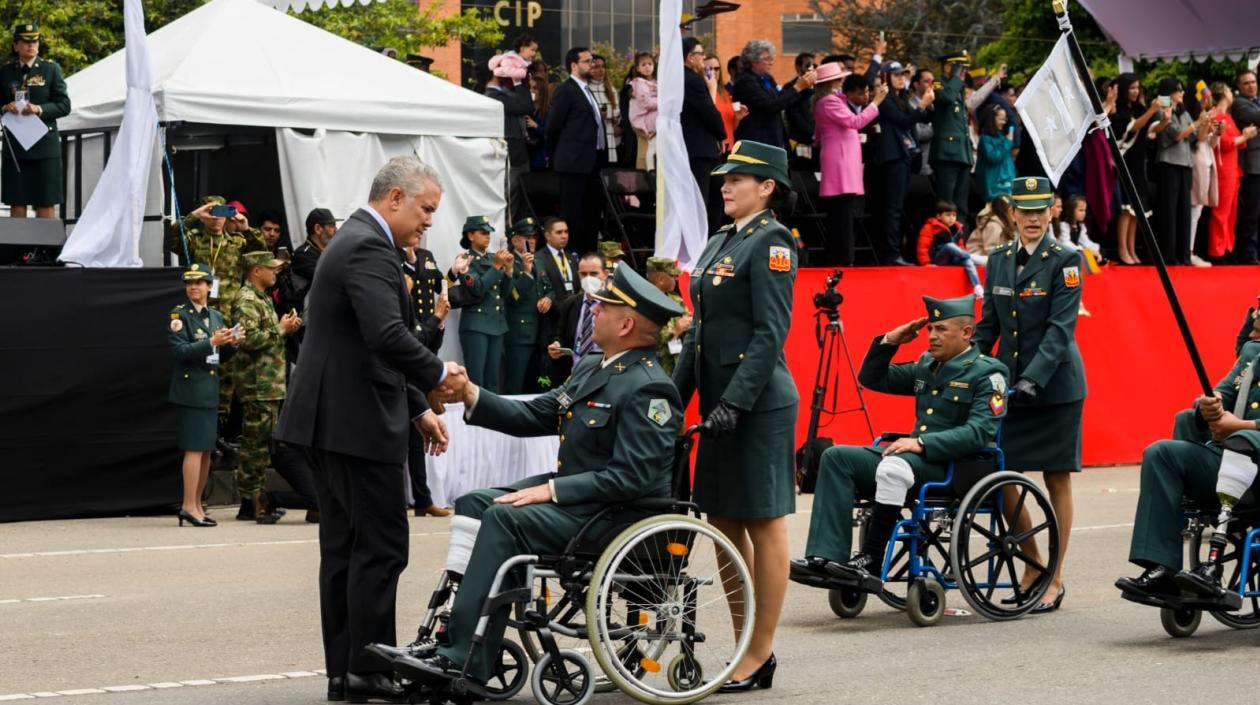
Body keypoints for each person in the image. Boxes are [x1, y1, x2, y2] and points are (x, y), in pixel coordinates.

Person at [389, 264, 684, 688]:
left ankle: (461, 658)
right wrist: (471, 393)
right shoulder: (594, 368)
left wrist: (552, 490)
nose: (593, 309)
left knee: (505, 519)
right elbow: (537, 413)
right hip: (583, 504)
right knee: (475, 502)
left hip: (612, 515)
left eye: (604, 306)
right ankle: (453, 635)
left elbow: (631, 478)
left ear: (625, 324)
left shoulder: (649, 387)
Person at [273, 156, 460, 703]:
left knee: (346, 551)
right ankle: (371, 672)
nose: (429, 222)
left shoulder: (354, 242)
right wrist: (438, 374)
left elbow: (360, 343)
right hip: (353, 424)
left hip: (334, 420)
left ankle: (347, 672)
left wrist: (417, 408)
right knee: (378, 549)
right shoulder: (369, 248)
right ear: (395, 198)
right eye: (426, 210)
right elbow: (385, 334)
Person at [673, 140, 798, 692]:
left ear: (767, 187)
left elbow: (771, 334)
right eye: (723, 178)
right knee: (723, 522)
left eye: (737, 179)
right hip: (721, 403)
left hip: (758, 403)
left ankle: (761, 652)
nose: (724, 186)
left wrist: (734, 403)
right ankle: (744, 640)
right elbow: (699, 333)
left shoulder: (772, 242)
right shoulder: (722, 240)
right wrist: (673, 401)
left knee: (763, 523)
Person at [790, 295, 1008, 590]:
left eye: (941, 329)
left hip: (956, 466)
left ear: (967, 332)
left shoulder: (988, 373)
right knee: (836, 456)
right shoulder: (927, 365)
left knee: (893, 465)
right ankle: (828, 559)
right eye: (931, 328)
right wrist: (890, 341)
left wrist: (923, 443)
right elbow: (871, 378)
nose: (932, 336)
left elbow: (979, 433)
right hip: (915, 460)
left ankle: (872, 560)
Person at [974, 176, 1086, 613]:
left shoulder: (1067, 259)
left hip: (1055, 386)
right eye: (1026, 210)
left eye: (1042, 210)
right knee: (1001, 477)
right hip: (1011, 384)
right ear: (1014, 214)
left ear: (1052, 212)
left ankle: (1054, 577)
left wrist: (1034, 377)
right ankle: (1032, 562)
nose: (1034, 218)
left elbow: (1060, 330)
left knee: (1056, 478)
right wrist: (971, 368)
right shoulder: (999, 258)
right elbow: (988, 325)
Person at [1116, 342, 1260, 604]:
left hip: (1252, 459)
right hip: (1234, 458)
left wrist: (1241, 425)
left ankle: (1211, 567)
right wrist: (1208, 405)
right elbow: (1222, 392)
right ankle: (1162, 569)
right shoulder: (1253, 351)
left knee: (1241, 440)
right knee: (1160, 453)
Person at [232, 251, 303, 524]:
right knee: (255, 446)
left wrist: (286, 327)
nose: (276, 273)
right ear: (256, 271)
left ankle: (256, 500)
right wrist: (281, 329)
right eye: (270, 268)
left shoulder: (260, 298)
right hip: (257, 384)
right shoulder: (246, 299)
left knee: (262, 445)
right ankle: (251, 502)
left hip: (268, 383)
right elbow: (247, 340)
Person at [169, 264, 240, 527]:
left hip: (210, 390)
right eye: (190, 283)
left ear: (210, 286)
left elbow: (219, 357)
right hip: (191, 391)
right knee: (194, 449)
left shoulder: (216, 316)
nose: (194, 287)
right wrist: (212, 342)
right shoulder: (179, 315)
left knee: (206, 451)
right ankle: (188, 505)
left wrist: (233, 344)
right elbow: (180, 352)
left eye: (200, 283)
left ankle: (197, 505)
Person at [402, 232, 452, 519]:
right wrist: (434, 318)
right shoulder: (391, 263)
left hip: (419, 349)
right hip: (400, 360)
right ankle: (402, 499)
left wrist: (439, 321)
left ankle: (422, 498)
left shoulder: (425, 258)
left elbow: (427, 343)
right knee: (401, 437)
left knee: (415, 436)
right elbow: (410, 336)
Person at [814, 68, 885, 266]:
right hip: (840, 160)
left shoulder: (831, 100)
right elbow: (856, 121)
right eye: (839, 79)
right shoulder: (829, 101)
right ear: (833, 82)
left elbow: (818, 134)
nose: (841, 82)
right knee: (842, 212)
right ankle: (844, 258)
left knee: (842, 211)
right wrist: (876, 102)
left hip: (840, 158)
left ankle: (840, 255)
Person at [0, 23, 69, 219]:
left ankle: (43, 250)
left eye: (35, 41)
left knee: (45, 202)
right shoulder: (5, 72)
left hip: (44, 147)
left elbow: (64, 105)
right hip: (16, 146)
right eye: (26, 41)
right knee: (17, 202)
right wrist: (5, 107)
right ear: (16, 45)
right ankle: (18, 250)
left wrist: (39, 109)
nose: (31, 45)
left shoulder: (50, 69)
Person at [868, 61, 933, 265]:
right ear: (886, 77)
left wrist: (928, 105)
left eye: (903, 75)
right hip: (891, 157)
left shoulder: (900, 97)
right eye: (896, 75)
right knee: (892, 207)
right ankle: (891, 254)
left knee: (898, 207)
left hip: (903, 156)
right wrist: (922, 104)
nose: (901, 78)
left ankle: (895, 251)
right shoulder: (885, 99)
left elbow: (917, 117)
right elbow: (904, 120)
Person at [545, 47, 604, 254]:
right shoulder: (566, 90)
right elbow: (553, 127)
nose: (593, 64)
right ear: (574, 65)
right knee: (573, 216)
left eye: (592, 60)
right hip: (572, 163)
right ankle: (571, 258)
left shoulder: (587, 90)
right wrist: (554, 156)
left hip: (592, 162)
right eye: (587, 61)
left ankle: (589, 257)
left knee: (592, 214)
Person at [451, 215, 511, 392]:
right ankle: (476, 416)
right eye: (483, 232)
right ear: (470, 236)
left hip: (497, 324)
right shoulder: (465, 259)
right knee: (476, 380)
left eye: (489, 232)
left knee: (493, 379)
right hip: (476, 324)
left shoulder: (494, 258)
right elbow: (477, 288)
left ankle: (493, 417)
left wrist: (509, 270)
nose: (488, 236)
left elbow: (504, 294)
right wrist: (497, 267)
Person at [1151, 78, 1200, 265]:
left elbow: (1196, 137)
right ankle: (1169, 255)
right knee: (1169, 210)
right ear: (1168, 92)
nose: (1182, 93)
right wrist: (1196, 124)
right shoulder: (1162, 108)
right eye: (1178, 90)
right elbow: (1178, 134)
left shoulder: (1183, 110)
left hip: (1185, 164)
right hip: (1168, 163)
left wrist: (1206, 125)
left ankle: (1183, 255)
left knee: (1184, 211)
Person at [732, 39, 815, 149]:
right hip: (757, 140)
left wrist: (807, 87)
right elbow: (771, 106)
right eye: (766, 59)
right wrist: (798, 87)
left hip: (773, 139)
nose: (771, 62)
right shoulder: (746, 81)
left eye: (771, 58)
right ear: (753, 61)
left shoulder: (767, 78)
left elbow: (784, 99)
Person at [1113, 74, 1161, 265]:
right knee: (1127, 208)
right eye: (1132, 87)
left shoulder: (1139, 108)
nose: (1135, 91)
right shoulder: (1119, 110)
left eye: (1137, 87)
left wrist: (1164, 118)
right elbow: (1131, 127)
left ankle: (1132, 249)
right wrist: (1151, 110)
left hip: (1139, 162)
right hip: (1125, 162)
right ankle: (1122, 250)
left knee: (1137, 210)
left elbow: (1150, 130)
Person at [1210, 82, 1259, 261]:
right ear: (1224, 93)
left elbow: (1235, 141)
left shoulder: (1227, 116)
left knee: (1231, 212)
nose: (1232, 94)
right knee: (1221, 212)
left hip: (1232, 168)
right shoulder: (1217, 115)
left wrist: (1244, 136)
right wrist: (1243, 137)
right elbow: (1224, 143)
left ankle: (1227, 248)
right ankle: (1217, 250)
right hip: (1224, 168)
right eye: (1229, 91)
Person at [484, 56, 535, 222]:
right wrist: (519, 83)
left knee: (518, 197)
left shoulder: (503, 95)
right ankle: (509, 233)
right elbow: (526, 107)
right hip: (511, 156)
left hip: (517, 155)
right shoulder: (494, 96)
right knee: (510, 196)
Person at [681, 38, 727, 222]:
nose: (704, 57)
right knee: (706, 204)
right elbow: (709, 112)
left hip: (691, 149)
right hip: (699, 150)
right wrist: (712, 89)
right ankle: (707, 246)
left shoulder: (679, 77)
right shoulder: (692, 80)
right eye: (700, 53)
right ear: (691, 57)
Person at [546, 253, 606, 384]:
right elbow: (560, 334)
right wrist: (557, 345)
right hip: (573, 376)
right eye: (583, 274)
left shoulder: (615, 306)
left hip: (603, 377)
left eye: (594, 273)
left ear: (605, 274)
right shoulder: (570, 304)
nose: (588, 278)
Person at [930, 51, 975, 224]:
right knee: (946, 204)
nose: (963, 73)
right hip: (946, 153)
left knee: (961, 205)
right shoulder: (938, 83)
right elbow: (945, 98)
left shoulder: (957, 88)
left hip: (962, 154)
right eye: (960, 68)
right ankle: (943, 243)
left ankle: (959, 241)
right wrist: (956, 79)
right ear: (948, 67)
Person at [502, 218, 541, 395]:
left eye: (533, 237)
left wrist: (548, 298)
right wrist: (526, 272)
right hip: (519, 333)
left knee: (535, 384)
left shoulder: (537, 262)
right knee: (515, 385)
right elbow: (512, 297)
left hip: (539, 332)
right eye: (527, 237)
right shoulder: (509, 262)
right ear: (515, 240)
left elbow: (548, 287)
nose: (532, 241)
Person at [917, 201, 985, 298]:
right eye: (948, 215)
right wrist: (926, 263)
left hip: (952, 259)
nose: (952, 218)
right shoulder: (930, 227)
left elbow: (961, 246)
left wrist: (963, 254)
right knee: (950, 246)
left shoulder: (957, 227)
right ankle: (976, 258)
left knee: (967, 260)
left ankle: (978, 287)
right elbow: (923, 247)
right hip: (937, 259)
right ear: (939, 216)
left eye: (954, 215)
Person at [1232, 70, 1260, 264]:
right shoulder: (1240, 104)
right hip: (1251, 166)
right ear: (1240, 87)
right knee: (1252, 212)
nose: (1251, 86)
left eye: (1253, 82)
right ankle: (1248, 253)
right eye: (1247, 83)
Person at [645, 256, 690, 375]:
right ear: (661, 279)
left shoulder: (676, 300)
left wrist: (688, 324)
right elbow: (646, 337)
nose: (676, 280)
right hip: (654, 366)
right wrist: (675, 331)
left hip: (675, 363)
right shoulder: (644, 301)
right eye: (673, 276)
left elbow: (689, 323)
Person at [535, 216, 580, 323]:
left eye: (566, 232)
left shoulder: (572, 258)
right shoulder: (538, 258)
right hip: (551, 319)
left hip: (572, 317)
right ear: (547, 235)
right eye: (559, 232)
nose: (564, 236)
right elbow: (541, 290)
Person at [291, 207, 339, 302]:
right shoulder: (302, 255)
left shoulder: (328, 251)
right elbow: (329, 278)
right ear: (318, 229)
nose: (336, 230)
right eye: (332, 226)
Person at [975, 104, 1016, 203]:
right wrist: (1007, 142)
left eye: (1005, 119)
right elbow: (993, 157)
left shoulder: (1002, 137)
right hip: (994, 188)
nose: (1004, 122)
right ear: (991, 119)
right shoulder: (985, 139)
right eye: (1001, 119)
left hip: (1007, 186)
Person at [783, 52, 817, 161]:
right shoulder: (790, 87)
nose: (810, 69)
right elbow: (793, 115)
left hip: (819, 140)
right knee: (802, 169)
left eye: (813, 66)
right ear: (798, 67)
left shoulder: (819, 86)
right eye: (807, 66)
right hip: (800, 140)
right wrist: (812, 134)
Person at [628, 52, 658, 171]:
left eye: (650, 64)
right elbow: (645, 103)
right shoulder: (638, 83)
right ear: (638, 68)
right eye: (643, 64)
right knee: (645, 157)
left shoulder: (657, 82)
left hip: (656, 126)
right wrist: (662, 101)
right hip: (644, 124)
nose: (647, 67)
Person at [589, 54, 621, 165]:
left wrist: (608, 114)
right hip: (591, 137)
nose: (601, 70)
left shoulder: (610, 89)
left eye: (603, 66)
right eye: (596, 67)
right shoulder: (585, 88)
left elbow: (618, 110)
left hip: (609, 134)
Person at [909, 68, 936, 175]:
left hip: (937, 165)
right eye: (926, 81)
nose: (931, 85)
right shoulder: (910, 105)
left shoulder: (937, 104)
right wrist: (940, 127)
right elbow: (917, 134)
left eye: (932, 82)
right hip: (921, 166)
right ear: (916, 84)